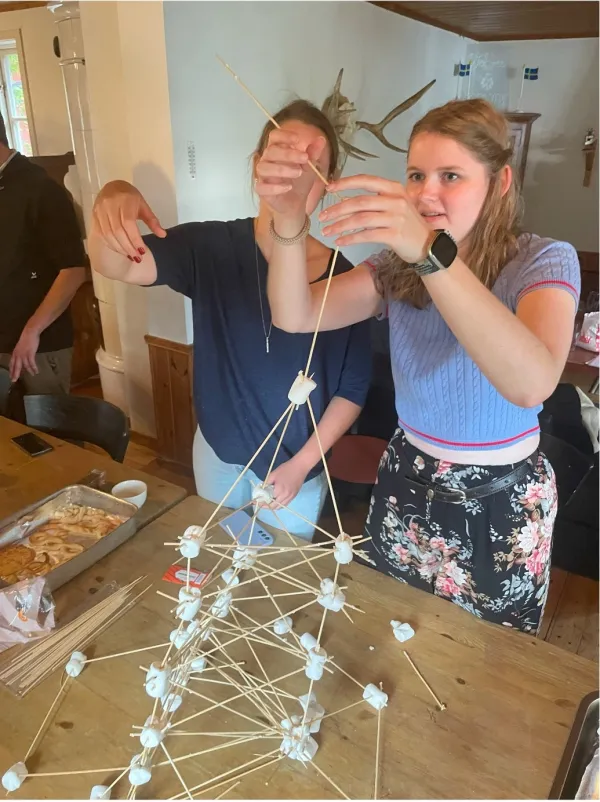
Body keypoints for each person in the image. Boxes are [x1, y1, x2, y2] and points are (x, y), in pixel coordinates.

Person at [259, 98, 581, 633]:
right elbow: (295, 314)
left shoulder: (542, 259)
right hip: (407, 478)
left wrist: (430, 252)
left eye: (450, 175)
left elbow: (531, 384)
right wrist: (289, 218)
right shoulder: (396, 264)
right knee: (395, 636)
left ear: (499, 183)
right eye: (415, 175)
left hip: (499, 499)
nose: (426, 193)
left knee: (488, 662)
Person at [89, 99, 371, 540]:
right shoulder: (210, 247)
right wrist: (112, 199)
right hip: (217, 455)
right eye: (283, 159)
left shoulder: (347, 280)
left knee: (278, 588)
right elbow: (117, 265)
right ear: (259, 166)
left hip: (295, 467)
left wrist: (300, 467)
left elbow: (352, 390)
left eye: (311, 168)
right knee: (218, 569)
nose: (295, 178)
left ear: (327, 185)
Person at [0, 112, 87, 393]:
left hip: (37, 346)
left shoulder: (41, 189)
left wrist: (32, 331)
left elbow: (73, 270)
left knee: (46, 434)